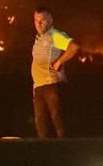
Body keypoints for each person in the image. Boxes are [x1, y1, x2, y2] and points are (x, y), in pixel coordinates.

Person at [30, 7, 80, 139]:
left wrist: (59, 62)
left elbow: (74, 47)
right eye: (36, 20)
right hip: (39, 87)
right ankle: (45, 152)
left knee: (58, 120)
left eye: (42, 20)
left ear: (50, 20)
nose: (39, 23)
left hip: (52, 84)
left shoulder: (55, 35)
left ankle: (63, 149)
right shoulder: (37, 39)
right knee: (40, 123)